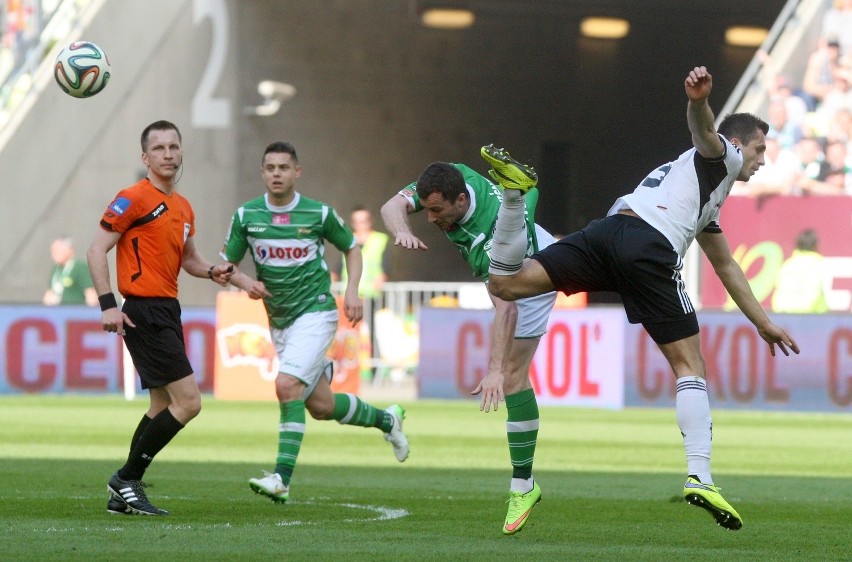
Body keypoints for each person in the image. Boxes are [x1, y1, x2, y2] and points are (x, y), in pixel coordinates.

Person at [485, 67, 800, 532]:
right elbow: (706, 134)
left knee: (505, 285)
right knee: (690, 368)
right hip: (650, 246)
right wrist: (698, 101)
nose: (761, 160)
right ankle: (701, 476)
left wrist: (762, 322)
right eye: (760, 149)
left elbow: (727, 266)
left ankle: (514, 198)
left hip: (607, 233)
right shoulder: (723, 158)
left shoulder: (697, 192)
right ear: (740, 143)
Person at [221, 141, 409, 505]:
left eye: (284, 168)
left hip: (317, 310)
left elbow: (351, 248)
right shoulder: (246, 216)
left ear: (297, 172)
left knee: (287, 385)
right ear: (262, 173)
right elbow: (226, 266)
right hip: (280, 321)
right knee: (321, 406)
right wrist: (244, 282)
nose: (277, 174)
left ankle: (281, 479)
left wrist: (352, 290)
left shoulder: (318, 214)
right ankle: (388, 421)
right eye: (270, 168)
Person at [381, 152, 556, 535]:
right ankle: (520, 192)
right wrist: (401, 232)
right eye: (425, 210)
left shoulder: (485, 243)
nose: (429, 219)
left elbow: (506, 307)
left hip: (530, 271)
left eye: (436, 211)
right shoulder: (454, 174)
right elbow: (392, 205)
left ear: (460, 201)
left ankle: (523, 486)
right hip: (529, 236)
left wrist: (492, 370)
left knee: (511, 378)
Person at [87, 120, 234, 516]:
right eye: (159, 149)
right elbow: (96, 250)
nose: (168, 154)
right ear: (145, 157)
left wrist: (212, 271)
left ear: (181, 152)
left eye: (174, 147)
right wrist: (107, 304)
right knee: (188, 403)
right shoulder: (132, 198)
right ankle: (126, 478)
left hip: (168, 309)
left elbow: (188, 259)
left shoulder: (183, 206)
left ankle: (124, 491)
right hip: (143, 310)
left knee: (160, 404)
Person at [332, 206, 390, 299]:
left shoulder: (380, 239)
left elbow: (387, 265)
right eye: (357, 222)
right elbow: (338, 267)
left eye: (363, 221)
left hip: (371, 295)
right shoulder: (348, 240)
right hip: (350, 295)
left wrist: (382, 278)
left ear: (370, 221)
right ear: (353, 223)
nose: (361, 225)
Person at [772, 229, 829, 313]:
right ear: (815, 245)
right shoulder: (820, 264)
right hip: (811, 317)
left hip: (783, 315)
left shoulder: (787, 265)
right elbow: (823, 293)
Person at [43, 236, 97, 306]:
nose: (53, 254)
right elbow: (49, 292)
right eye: (52, 251)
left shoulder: (79, 267)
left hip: (74, 313)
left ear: (69, 249)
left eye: (56, 250)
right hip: (56, 312)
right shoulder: (56, 268)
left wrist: (89, 313)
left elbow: (91, 294)